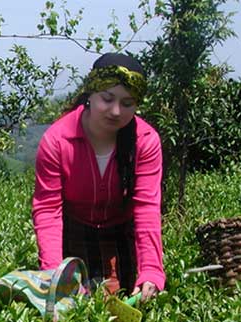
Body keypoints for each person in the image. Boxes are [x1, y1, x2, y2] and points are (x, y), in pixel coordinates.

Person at [32, 53, 165, 301]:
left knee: (124, 300)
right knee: (73, 302)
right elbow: (48, 210)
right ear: (90, 94)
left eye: (127, 104)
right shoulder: (57, 140)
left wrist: (151, 269)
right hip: (74, 229)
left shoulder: (145, 142)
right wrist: (52, 271)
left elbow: (146, 207)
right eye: (107, 99)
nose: (116, 111)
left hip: (120, 230)